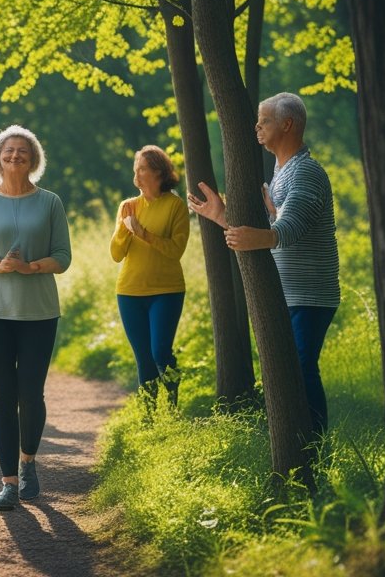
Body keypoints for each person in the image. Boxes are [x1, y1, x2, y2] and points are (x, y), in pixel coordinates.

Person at [187, 92, 340, 435]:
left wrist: (258, 235)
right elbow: (270, 231)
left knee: (300, 368)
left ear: (287, 124)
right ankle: (297, 440)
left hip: (310, 294)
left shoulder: (307, 172)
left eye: (264, 120)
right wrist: (220, 215)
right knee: (288, 370)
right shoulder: (282, 172)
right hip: (286, 294)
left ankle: (313, 447)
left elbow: (288, 230)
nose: (256, 126)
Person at [0, 125, 71, 511]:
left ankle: (28, 463)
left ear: (33, 158)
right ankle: (8, 481)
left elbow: (63, 256)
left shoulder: (50, 202)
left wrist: (32, 267)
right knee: (2, 397)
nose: (14, 157)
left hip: (38, 312)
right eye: (8, 151)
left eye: (22, 151)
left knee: (30, 393)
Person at [110, 145, 190, 414]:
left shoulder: (175, 206)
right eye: (136, 168)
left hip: (166, 291)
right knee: (143, 358)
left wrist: (143, 233)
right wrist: (125, 227)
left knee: (160, 352)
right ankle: (148, 415)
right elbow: (116, 254)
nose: (137, 173)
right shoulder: (128, 206)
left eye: (143, 168)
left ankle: (173, 406)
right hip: (129, 292)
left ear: (159, 172)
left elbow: (175, 250)